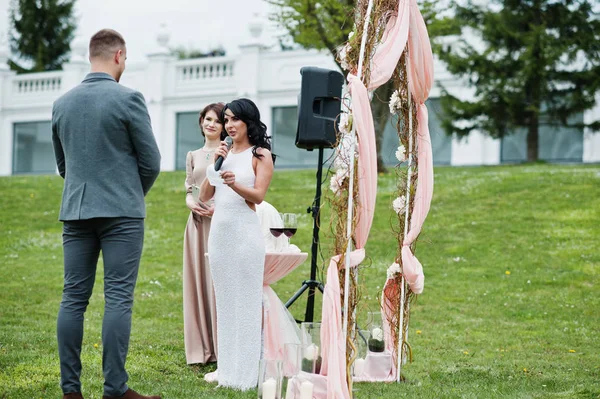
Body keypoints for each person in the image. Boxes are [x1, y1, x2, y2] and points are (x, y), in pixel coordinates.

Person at [51, 29, 162, 399]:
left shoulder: (62, 103)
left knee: (73, 298)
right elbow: (151, 162)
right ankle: (115, 389)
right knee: (117, 298)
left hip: (76, 212)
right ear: (119, 56)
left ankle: (71, 391)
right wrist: (129, 193)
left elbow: (64, 166)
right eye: (126, 59)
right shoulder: (129, 98)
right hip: (121, 214)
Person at [199, 98, 274, 390]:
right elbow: (205, 195)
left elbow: (257, 196)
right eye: (226, 120)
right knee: (226, 304)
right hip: (219, 235)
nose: (228, 125)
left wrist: (233, 184)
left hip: (245, 234)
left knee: (246, 305)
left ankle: (246, 376)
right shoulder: (224, 153)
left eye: (234, 120)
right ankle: (228, 373)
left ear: (248, 122)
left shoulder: (261, 154)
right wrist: (213, 164)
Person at [182, 103, 226, 364]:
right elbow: (189, 189)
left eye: (216, 121)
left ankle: (223, 345)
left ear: (224, 126)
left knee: (216, 281)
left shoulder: (227, 152)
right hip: (196, 224)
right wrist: (190, 202)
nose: (211, 124)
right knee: (198, 281)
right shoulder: (192, 155)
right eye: (207, 119)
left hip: (220, 221)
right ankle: (201, 350)